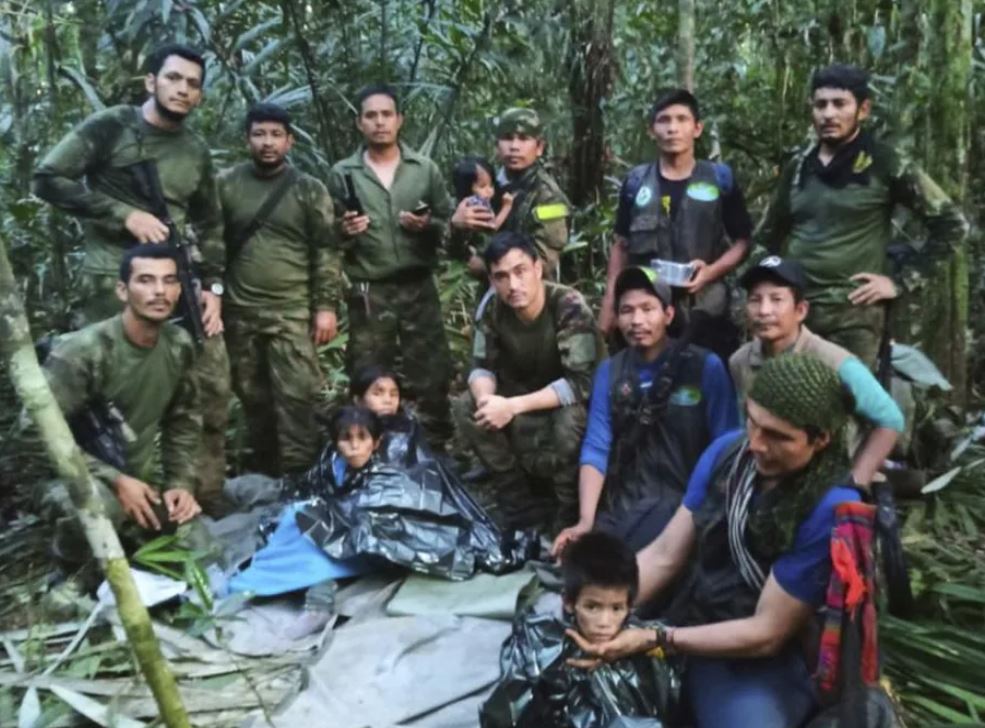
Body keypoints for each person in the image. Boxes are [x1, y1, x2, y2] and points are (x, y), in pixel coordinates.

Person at [566, 353, 863, 728]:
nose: (755, 443)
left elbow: (766, 633)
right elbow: (664, 556)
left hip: (760, 659)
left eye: (776, 435)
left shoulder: (830, 508)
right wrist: (594, 604)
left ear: (820, 439)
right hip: (693, 616)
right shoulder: (726, 454)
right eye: (753, 422)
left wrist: (655, 639)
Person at [32, 43, 231, 515]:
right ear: (151, 81)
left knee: (207, 386)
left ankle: (196, 498)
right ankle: (109, 504)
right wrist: (123, 214)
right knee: (109, 400)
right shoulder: (112, 128)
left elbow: (212, 224)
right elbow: (47, 178)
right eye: (174, 78)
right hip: (112, 284)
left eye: (192, 84)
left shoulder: (195, 151)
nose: (182, 89)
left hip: (179, 283)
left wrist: (214, 289)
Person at [758, 64, 967, 368]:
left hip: (854, 315)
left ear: (863, 109)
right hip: (797, 313)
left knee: (848, 406)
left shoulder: (886, 162)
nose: (828, 114)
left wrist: (900, 282)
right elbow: (766, 238)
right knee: (787, 403)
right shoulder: (798, 167)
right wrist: (766, 295)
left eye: (839, 104)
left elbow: (952, 225)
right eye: (820, 105)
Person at [40, 245, 211, 571]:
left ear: (178, 289)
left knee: (201, 553)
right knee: (101, 509)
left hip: (137, 480)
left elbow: (183, 419)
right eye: (145, 280)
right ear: (122, 290)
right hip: (66, 476)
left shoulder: (179, 344)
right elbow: (34, 437)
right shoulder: (83, 352)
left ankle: (130, 539)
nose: (159, 291)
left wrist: (179, 484)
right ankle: (67, 565)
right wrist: (115, 481)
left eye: (169, 281)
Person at [553, 265, 738, 555]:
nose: (637, 320)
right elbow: (597, 446)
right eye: (627, 310)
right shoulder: (610, 372)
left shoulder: (705, 366)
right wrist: (585, 521)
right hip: (626, 500)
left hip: (685, 502)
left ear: (668, 314)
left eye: (648, 308)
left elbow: (727, 445)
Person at [327, 84, 455, 448]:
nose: (379, 122)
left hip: (418, 285)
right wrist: (345, 230)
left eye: (386, 115)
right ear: (359, 123)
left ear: (400, 120)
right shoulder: (343, 173)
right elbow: (328, 235)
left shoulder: (423, 170)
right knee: (368, 369)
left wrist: (426, 225)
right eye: (371, 115)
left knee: (431, 368)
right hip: (370, 289)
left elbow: (450, 225)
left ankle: (434, 448)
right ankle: (369, 447)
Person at [218, 102, 340, 477]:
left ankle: (302, 476)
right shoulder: (225, 184)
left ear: (289, 142)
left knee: (298, 398)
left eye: (275, 135)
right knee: (254, 399)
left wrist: (325, 306)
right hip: (240, 312)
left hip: (292, 311)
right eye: (259, 134)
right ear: (247, 139)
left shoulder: (308, 190)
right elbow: (209, 243)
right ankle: (267, 475)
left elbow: (326, 249)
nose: (267, 142)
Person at [452, 232, 601, 534]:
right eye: (501, 277)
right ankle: (518, 504)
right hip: (518, 397)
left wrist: (511, 406)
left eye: (520, 271)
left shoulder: (567, 305)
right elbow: (480, 366)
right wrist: (486, 402)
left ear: (537, 268)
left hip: (563, 402)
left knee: (570, 420)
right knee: (466, 406)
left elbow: (580, 383)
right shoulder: (493, 307)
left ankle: (568, 513)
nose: (513, 285)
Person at [600, 89, 753, 361]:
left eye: (682, 119)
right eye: (664, 120)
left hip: (705, 308)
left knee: (704, 381)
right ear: (651, 129)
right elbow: (621, 245)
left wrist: (711, 272)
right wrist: (610, 301)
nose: (672, 128)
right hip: (647, 310)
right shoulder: (636, 183)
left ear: (697, 129)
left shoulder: (719, 179)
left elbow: (743, 241)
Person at [730, 256, 904, 488]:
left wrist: (856, 480)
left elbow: (890, 420)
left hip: (826, 479)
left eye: (776, 299)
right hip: (768, 471)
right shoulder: (740, 361)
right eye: (755, 300)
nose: (764, 310)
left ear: (800, 310)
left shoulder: (833, 361)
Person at [479, 532, 680, 727]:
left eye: (616, 608)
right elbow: (508, 711)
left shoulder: (645, 642)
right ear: (569, 602)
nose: (604, 622)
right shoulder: (541, 648)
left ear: (629, 606)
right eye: (592, 607)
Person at [229, 405, 384, 640]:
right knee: (295, 518)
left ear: (376, 442)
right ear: (335, 442)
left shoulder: (387, 475)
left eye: (362, 437)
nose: (354, 446)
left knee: (313, 546)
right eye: (346, 438)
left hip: (361, 543)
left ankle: (318, 604)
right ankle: (303, 586)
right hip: (329, 532)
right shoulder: (332, 467)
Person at [450, 108, 570, 278]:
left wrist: (486, 267)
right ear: (497, 146)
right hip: (489, 296)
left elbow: (543, 263)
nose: (514, 147)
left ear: (539, 147)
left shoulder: (550, 199)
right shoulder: (483, 183)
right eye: (507, 138)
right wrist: (456, 226)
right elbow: (452, 252)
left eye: (523, 139)